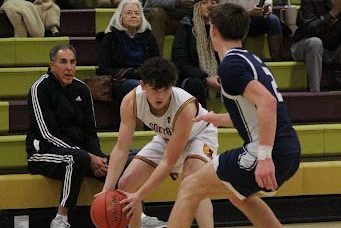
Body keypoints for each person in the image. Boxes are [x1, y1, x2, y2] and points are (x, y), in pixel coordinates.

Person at [168, 3, 301, 227]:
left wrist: (265, 156)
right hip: (288, 148)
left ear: (213, 30)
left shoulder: (230, 66)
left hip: (269, 150)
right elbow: (257, 112)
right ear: (245, 32)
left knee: (190, 186)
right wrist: (216, 119)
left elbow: (267, 103)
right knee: (237, 194)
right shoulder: (251, 59)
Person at [98, 57, 218, 228]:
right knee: (126, 183)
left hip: (200, 135)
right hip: (167, 137)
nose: (160, 95)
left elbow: (168, 161)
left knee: (193, 182)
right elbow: (121, 148)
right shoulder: (130, 101)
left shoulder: (185, 107)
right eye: (155, 89)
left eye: (165, 89)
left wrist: (140, 195)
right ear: (142, 85)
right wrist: (106, 190)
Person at [26, 44, 109, 228]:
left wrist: (97, 157)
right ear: (51, 65)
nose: (69, 67)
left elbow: (90, 132)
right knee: (77, 158)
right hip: (43, 153)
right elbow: (47, 134)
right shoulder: (40, 88)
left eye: (72, 62)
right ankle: (60, 218)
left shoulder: (82, 89)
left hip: (79, 154)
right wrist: (88, 157)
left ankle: (139, 215)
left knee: (114, 165)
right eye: (63, 62)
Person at [97, 0, 160, 129]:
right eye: (129, 13)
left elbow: (157, 63)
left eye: (137, 13)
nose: (133, 16)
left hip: (145, 78)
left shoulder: (149, 37)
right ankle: (142, 128)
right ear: (120, 17)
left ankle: (158, 129)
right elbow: (103, 68)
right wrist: (130, 72)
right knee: (138, 88)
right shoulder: (110, 38)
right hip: (120, 81)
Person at [172, 0, 220, 109]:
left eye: (213, 3)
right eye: (204, 2)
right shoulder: (186, 27)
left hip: (216, 76)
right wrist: (205, 78)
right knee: (196, 84)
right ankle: (203, 123)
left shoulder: (223, 28)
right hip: (191, 77)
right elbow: (181, 63)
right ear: (196, 7)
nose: (209, 6)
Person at [290, 0, 341, 92]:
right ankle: (315, 94)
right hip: (305, 46)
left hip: (332, 49)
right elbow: (309, 30)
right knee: (315, 43)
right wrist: (333, 12)